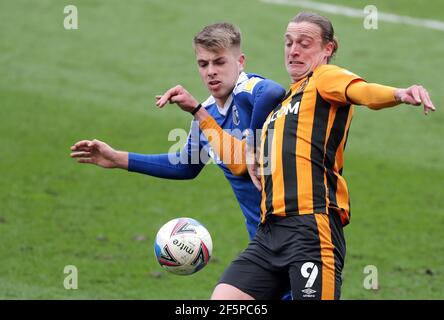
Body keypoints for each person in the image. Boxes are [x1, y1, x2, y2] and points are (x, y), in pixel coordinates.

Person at [211, 12, 435, 300]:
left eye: (305, 43)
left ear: (327, 49)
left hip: (311, 230)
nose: (293, 50)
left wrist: (400, 94)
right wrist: (200, 114)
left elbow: (363, 92)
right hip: (270, 233)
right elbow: (241, 160)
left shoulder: (324, 78)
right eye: (289, 42)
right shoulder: (283, 104)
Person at [70, 22, 285, 241]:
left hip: (295, 231)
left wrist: (252, 145)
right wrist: (117, 158)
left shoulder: (248, 92)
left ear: (240, 62)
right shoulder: (207, 111)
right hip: (261, 238)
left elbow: (272, 92)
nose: (211, 72)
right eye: (203, 64)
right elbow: (185, 165)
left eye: (219, 62)